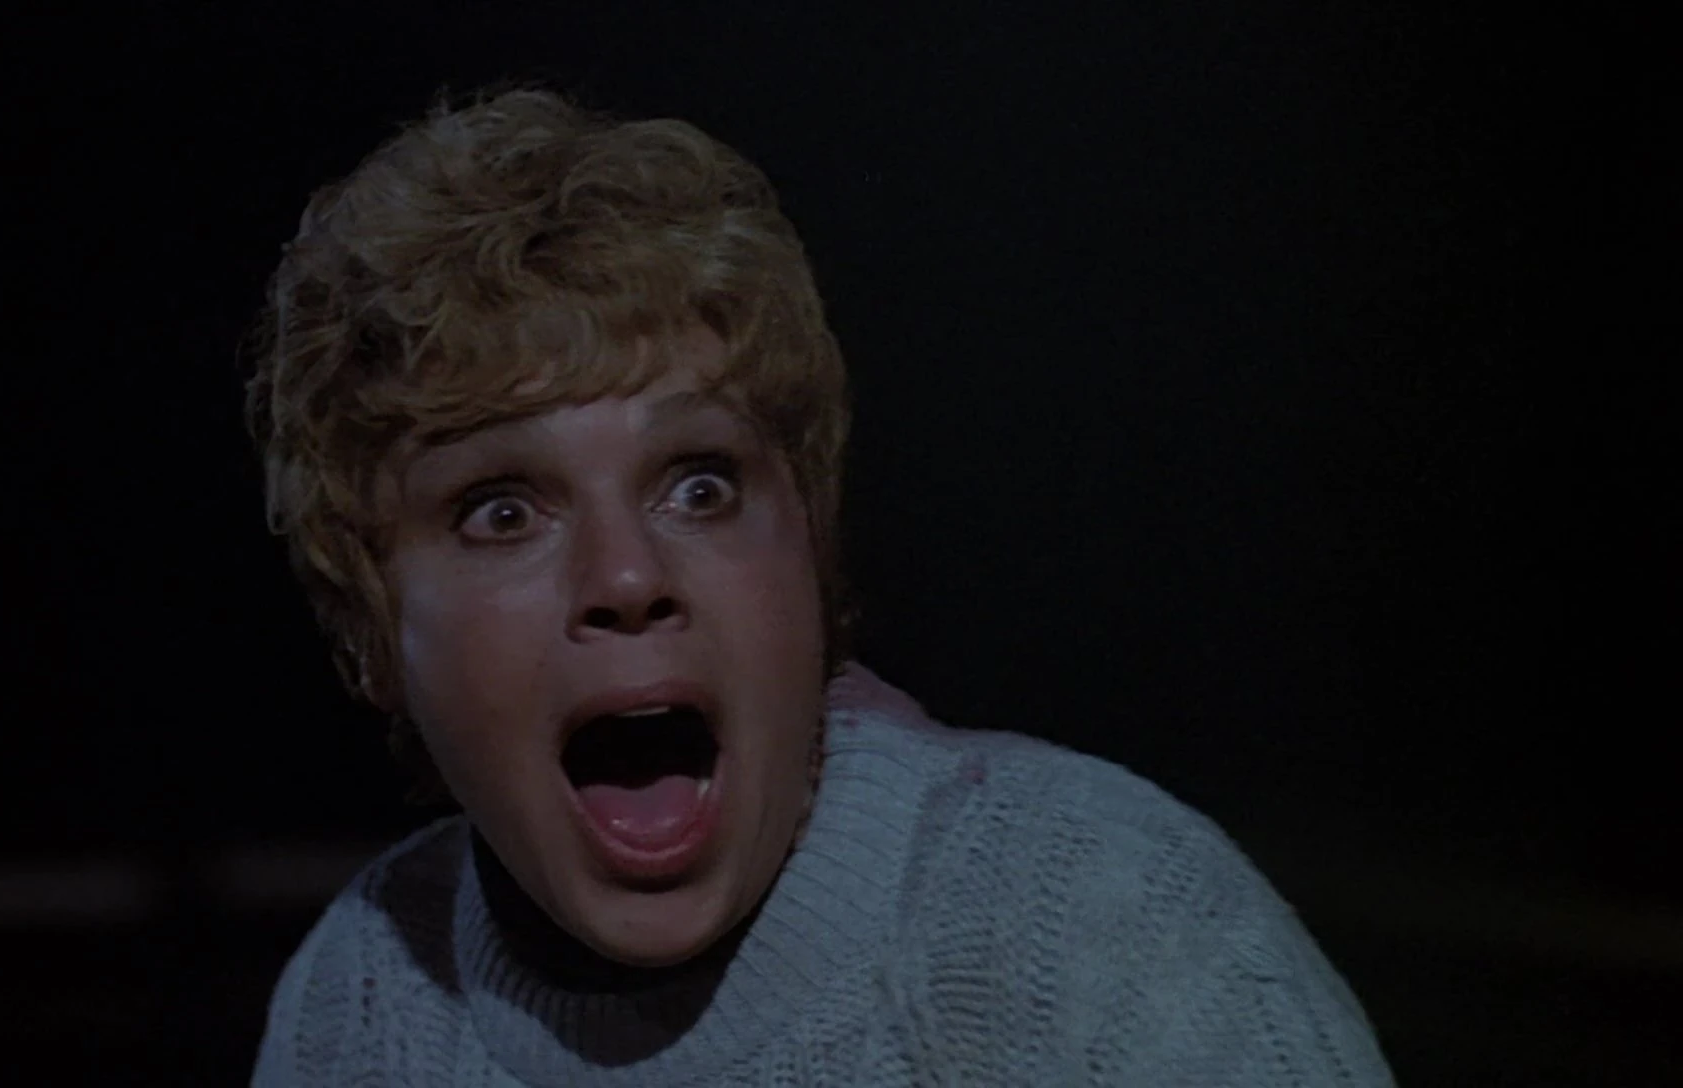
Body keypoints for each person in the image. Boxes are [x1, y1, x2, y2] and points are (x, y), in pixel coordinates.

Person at [242, 85, 1396, 1086]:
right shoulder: (363, 1001)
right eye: (502, 510)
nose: (628, 574)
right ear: (373, 633)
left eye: (699, 485)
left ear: (809, 552)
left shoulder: (1102, 921)